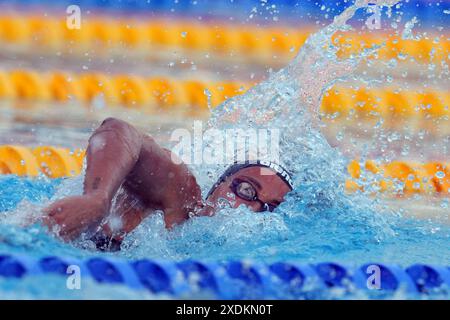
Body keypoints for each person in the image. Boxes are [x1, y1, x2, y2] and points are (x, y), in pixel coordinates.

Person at [43, 117, 294, 251]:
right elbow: (120, 131)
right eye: (246, 190)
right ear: (220, 182)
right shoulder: (181, 194)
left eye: (268, 208)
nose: (249, 209)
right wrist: (96, 198)